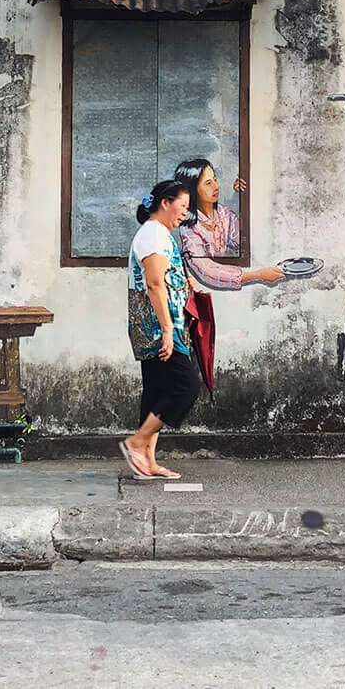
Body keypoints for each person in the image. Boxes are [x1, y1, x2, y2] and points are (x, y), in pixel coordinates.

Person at [119, 179, 201, 482]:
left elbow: (163, 278)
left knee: (157, 391)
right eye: (183, 206)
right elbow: (153, 283)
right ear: (165, 202)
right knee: (186, 387)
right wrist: (168, 331)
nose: (185, 213)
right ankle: (138, 441)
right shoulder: (153, 234)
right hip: (157, 326)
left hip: (156, 324)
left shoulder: (157, 234)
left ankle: (148, 461)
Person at [173, 157, 284, 291]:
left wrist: (244, 195)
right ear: (192, 190)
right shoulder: (189, 227)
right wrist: (256, 275)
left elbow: (243, 242)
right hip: (202, 290)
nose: (216, 186)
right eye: (208, 183)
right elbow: (205, 270)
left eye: (215, 179)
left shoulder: (224, 214)